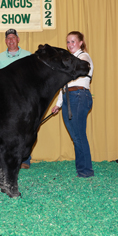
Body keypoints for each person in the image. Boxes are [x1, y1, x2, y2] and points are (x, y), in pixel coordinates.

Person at [51, 31, 94, 178]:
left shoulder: (83, 57)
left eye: (73, 41)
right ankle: (82, 169)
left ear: (80, 42)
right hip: (70, 97)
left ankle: (86, 171)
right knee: (76, 136)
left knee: (79, 135)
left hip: (79, 96)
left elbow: (73, 76)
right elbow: (65, 84)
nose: (70, 45)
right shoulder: (72, 59)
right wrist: (59, 103)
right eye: (68, 42)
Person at [0, 28, 32, 169]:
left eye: (13, 37)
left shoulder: (28, 56)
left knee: (25, 128)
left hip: (24, 99)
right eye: (8, 38)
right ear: (5, 41)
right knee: (6, 129)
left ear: (18, 39)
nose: (11, 40)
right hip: (6, 101)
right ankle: (6, 158)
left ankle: (25, 159)